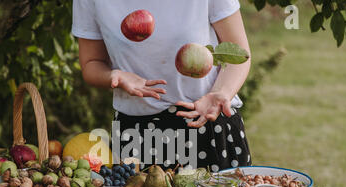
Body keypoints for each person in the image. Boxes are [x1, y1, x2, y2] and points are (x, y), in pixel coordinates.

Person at [72, 0, 251, 172]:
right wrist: (113, 75)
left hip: (207, 122)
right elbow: (91, 62)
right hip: (137, 134)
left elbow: (239, 55)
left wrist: (221, 93)